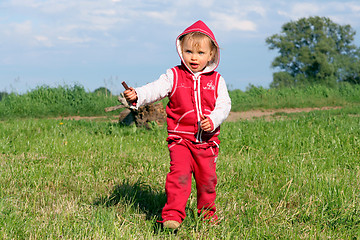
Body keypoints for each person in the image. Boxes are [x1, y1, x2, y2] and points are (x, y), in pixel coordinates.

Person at [123, 20, 231, 229]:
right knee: (178, 176)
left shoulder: (217, 80)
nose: (193, 57)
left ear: (211, 55)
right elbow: (155, 89)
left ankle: (207, 214)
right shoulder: (173, 75)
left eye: (200, 53)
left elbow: (224, 105)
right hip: (180, 139)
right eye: (189, 51)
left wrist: (214, 119)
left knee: (207, 181)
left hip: (206, 142)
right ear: (181, 50)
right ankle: (172, 216)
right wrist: (138, 94)